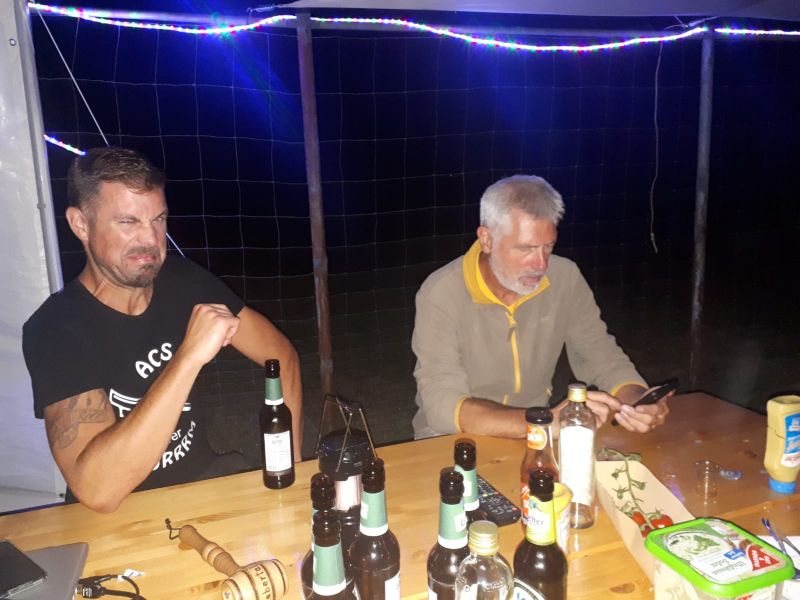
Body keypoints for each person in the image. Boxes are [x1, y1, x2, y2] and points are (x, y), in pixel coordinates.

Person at [22, 147, 303, 513]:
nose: (150, 240)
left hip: (203, 486)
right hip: (120, 517)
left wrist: (293, 463)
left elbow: (280, 355)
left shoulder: (184, 280)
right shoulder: (56, 330)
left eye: (158, 219)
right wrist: (188, 356)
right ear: (80, 224)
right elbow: (99, 491)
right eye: (128, 222)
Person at [412, 175, 670, 440]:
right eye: (526, 248)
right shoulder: (442, 292)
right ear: (487, 239)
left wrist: (635, 399)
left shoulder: (564, 277)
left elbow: (598, 353)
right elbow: (441, 403)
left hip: (537, 429)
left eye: (548, 247)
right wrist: (542, 422)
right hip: (452, 435)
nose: (540, 265)